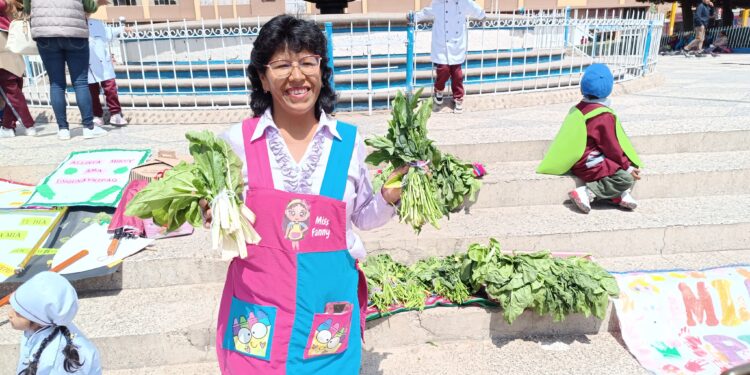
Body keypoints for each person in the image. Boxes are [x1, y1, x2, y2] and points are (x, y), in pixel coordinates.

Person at [210, 15, 403, 374]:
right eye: (282, 64)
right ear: (263, 79)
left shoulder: (349, 142)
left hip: (326, 314)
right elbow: (219, 217)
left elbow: (362, 216)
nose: (297, 76)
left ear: (322, 71)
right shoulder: (236, 143)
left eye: (307, 62)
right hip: (258, 316)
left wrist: (389, 197)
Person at [536, 64, 643, 214]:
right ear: (609, 89)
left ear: (582, 88)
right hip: (589, 163)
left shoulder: (578, 109)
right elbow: (611, 147)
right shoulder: (603, 116)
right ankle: (587, 193)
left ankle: (617, 196)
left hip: (578, 159)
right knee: (624, 179)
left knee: (613, 167)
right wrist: (628, 166)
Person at [23, 0, 108, 140]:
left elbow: (27, 7)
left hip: (45, 33)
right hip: (74, 32)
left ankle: (63, 129)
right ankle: (88, 127)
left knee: (56, 83)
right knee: (80, 82)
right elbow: (90, 6)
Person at [8, 271, 102, 374]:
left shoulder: (56, 360)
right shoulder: (40, 328)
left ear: (37, 321)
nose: (10, 314)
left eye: (18, 312)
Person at [414, 0, 485, 114]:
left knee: (457, 75)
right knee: (443, 70)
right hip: (442, 45)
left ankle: (458, 98)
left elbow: (476, 10)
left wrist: (482, 15)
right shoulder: (438, 3)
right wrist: (414, 17)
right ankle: (439, 90)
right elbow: (427, 12)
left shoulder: (464, 2)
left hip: (457, 45)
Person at [0, 0, 37, 138]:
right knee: (11, 89)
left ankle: (8, 126)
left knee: (13, 87)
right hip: (5, 39)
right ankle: (25, 124)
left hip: (7, 38)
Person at [87, 18, 128, 127]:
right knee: (92, 92)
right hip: (87, 63)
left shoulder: (97, 23)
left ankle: (115, 114)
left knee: (110, 88)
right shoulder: (75, 23)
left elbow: (109, 31)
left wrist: (123, 28)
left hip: (103, 62)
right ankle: (97, 115)